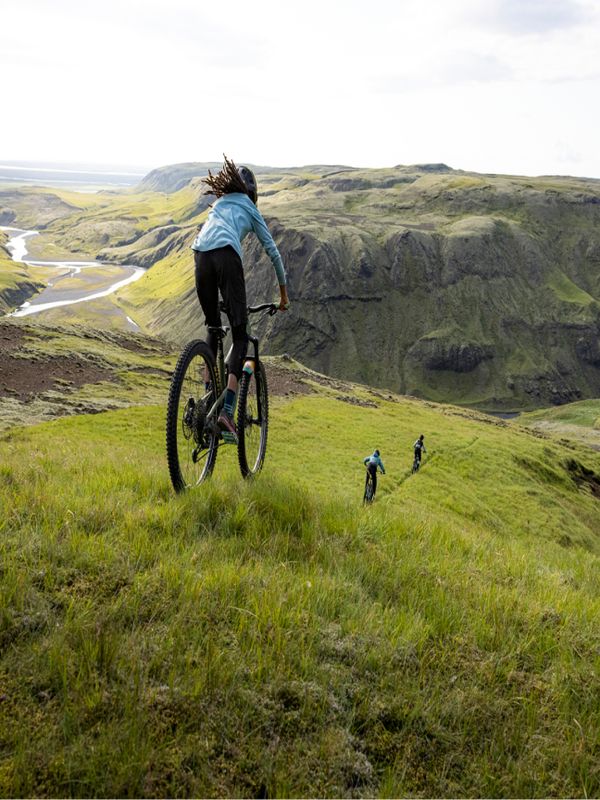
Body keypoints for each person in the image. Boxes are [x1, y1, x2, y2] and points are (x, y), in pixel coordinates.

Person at [192, 156, 290, 441]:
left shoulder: (220, 204)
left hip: (199, 256)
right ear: (252, 193)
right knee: (241, 335)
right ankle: (227, 413)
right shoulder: (249, 206)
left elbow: (208, 243)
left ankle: (207, 398)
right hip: (226, 256)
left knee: (213, 327)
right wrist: (283, 296)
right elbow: (274, 253)